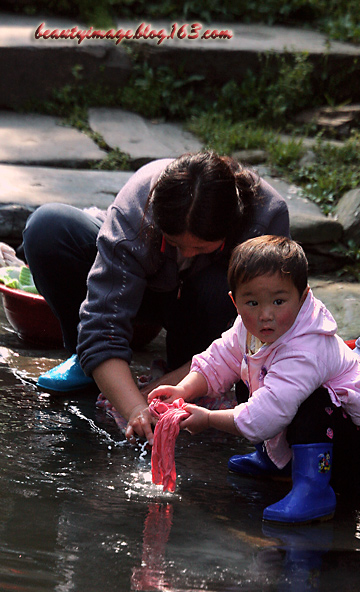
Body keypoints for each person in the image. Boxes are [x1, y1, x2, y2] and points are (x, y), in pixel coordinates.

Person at [20, 152, 290, 446]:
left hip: (206, 307)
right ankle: (87, 363)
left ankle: (189, 364)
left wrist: (175, 384)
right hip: (144, 292)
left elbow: (262, 328)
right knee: (48, 227)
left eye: (200, 247)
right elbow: (101, 324)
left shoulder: (266, 217)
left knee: (226, 288)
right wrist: (135, 408)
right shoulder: (138, 209)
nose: (186, 254)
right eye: (174, 243)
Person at [148, 235, 360, 524]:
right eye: (252, 302)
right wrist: (183, 389)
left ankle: (314, 489)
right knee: (247, 371)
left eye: (279, 300)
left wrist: (209, 418)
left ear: (303, 296)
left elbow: (267, 415)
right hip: (295, 414)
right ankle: (278, 460)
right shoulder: (249, 328)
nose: (266, 315)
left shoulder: (306, 348)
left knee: (311, 404)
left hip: (351, 437)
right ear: (235, 301)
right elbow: (220, 358)